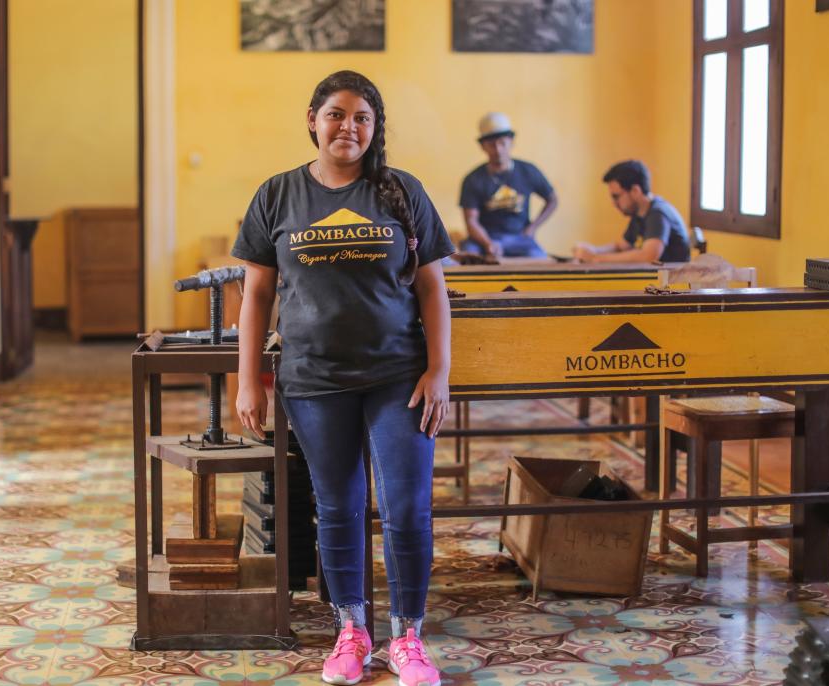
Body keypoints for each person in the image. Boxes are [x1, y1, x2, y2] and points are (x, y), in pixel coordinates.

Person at [232, 70, 453, 686]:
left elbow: (434, 288)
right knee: (338, 507)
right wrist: (249, 378)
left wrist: (440, 370)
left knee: (407, 508)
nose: (347, 127)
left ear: (375, 127)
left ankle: (409, 638)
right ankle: (350, 631)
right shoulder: (278, 195)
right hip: (313, 378)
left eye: (361, 117)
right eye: (335, 114)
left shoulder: (402, 192)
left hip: (398, 376)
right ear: (312, 120)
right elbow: (255, 295)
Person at [458, 112, 558, 258]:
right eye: (492, 145)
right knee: (468, 258)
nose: (498, 149)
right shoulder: (473, 179)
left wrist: (532, 228)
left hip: (519, 238)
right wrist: (488, 243)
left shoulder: (528, 171)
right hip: (483, 239)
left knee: (538, 258)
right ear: (483, 147)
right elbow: (471, 221)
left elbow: (553, 200)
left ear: (511, 142)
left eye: (502, 143)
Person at [574, 159, 691, 263]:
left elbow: (649, 256)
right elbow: (621, 246)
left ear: (635, 191)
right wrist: (593, 250)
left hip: (672, 286)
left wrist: (597, 259)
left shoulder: (658, 214)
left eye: (616, 196)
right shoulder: (640, 213)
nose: (614, 203)